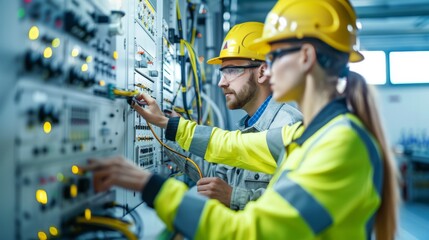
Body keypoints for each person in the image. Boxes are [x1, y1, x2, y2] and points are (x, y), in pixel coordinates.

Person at [85, 0, 398, 239]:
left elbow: (251, 232)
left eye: (274, 56)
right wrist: (168, 124)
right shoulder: (307, 134)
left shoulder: (341, 145)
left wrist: (149, 185)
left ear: (305, 57)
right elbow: (234, 145)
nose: (269, 68)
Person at [164, 21, 302, 210]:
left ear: (262, 72)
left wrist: (233, 197)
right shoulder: (247, 127)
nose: (221, 82)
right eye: (222, 72)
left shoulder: (289, 126)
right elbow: (214, 175)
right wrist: (168, 129)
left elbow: (293, 205)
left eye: (231, 70)